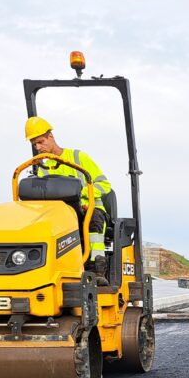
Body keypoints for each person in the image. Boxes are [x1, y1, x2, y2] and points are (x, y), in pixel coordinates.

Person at [25, 116, 113, 281]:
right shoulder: (43, 169)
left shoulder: (78, 157)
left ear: (51, 137)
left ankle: (97, 268)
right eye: (35, 144)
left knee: (93, 220)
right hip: (62, 215)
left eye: (41, 141)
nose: (38, 147)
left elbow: (104, 184)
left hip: (89, 209)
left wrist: (84, 197)